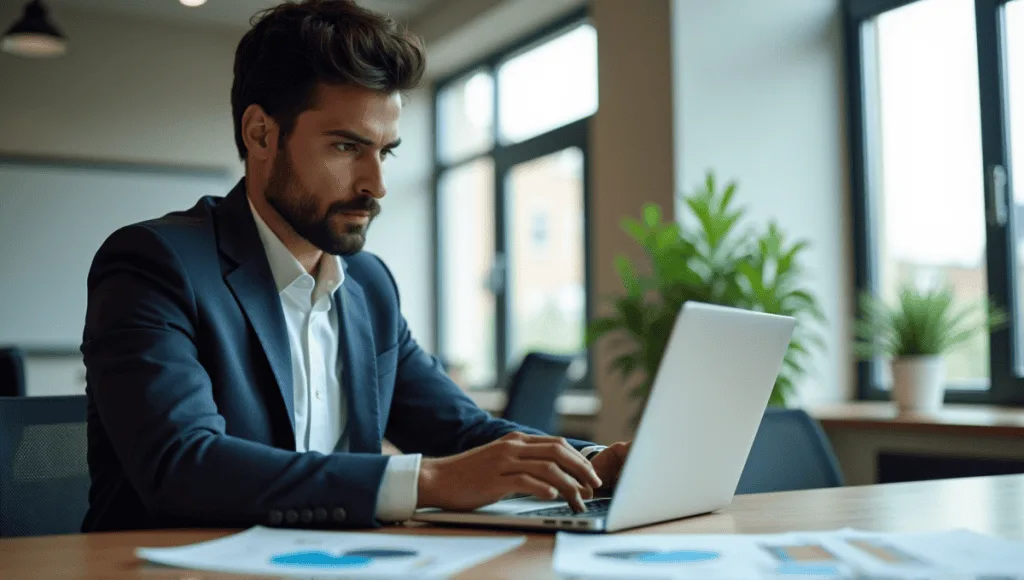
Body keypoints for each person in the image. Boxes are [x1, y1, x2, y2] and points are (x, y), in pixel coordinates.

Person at [81, 0, 630, 533]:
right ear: (261, 134)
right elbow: (183, 465)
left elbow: (464, 431)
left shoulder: (368, 285)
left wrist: (597, 462)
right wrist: (429, 482)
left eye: (384, 151)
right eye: (346, 147)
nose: (376, 184)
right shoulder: (154, 265)